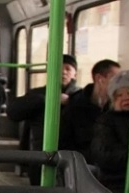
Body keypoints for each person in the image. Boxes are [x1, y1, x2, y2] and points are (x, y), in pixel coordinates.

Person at [7, 54, 80, 185]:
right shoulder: (37, 94)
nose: (63, 72)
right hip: (40, 157)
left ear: (75, 74)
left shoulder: (80, 97)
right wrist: (48, 100)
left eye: (68, 69)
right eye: (59, 68)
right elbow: (13, 112)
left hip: (72, 157)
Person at [59, 59, 121, 164]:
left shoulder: (118, 107)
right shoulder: (74, 105)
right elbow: (64, 144)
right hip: (80, 165)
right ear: (100, 79)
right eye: (116, 80)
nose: (120, 85)